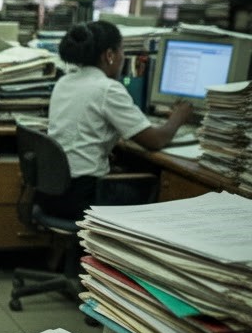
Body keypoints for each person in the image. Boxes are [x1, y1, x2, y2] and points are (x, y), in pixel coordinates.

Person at [46, 20, 193, 220]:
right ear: (110, 55)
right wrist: (179, 117)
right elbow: (155, 141)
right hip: (83, 196)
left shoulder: (64, 81)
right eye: (122, 50)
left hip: (53, 192)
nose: (123, 57)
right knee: (160, 187)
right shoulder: (107, 89)